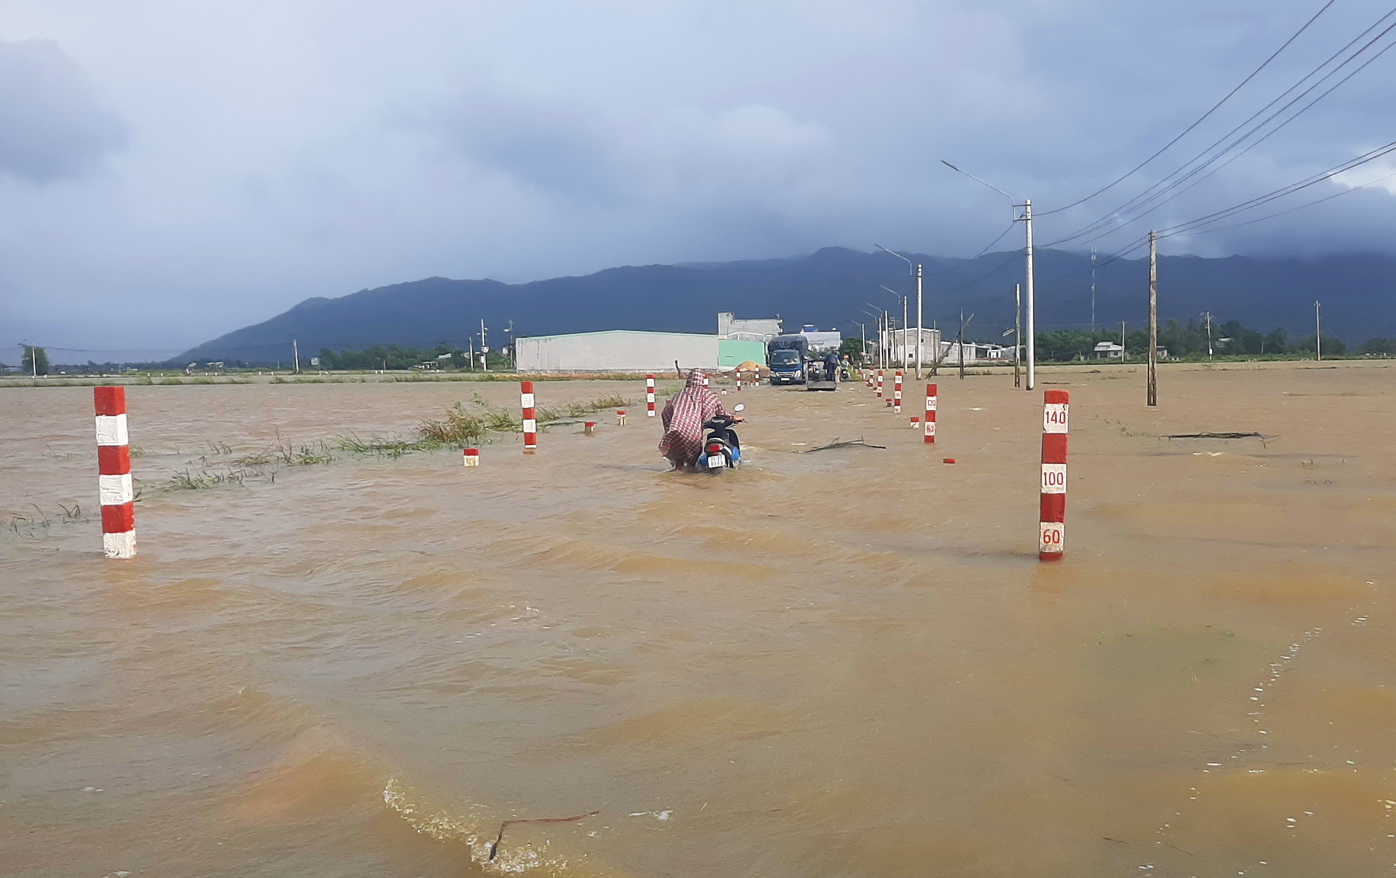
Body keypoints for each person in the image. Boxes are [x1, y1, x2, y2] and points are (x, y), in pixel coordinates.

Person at [659, 369, 736, 471]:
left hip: (674, 431)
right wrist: (733, 417)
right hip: (692, 431)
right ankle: (692, 482)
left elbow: (666, 413)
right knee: (692, 463)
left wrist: (669, 429)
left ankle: (678, 480)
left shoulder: (679, 394)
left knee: (679, 461)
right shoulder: (707, 394)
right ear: (701, 380)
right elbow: (721, 412)